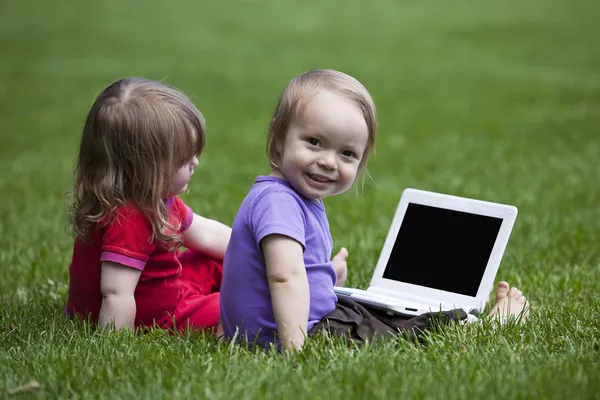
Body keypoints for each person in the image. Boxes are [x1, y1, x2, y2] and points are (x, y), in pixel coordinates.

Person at [219, 69, 530, 350]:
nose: (329, 161)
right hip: (294, 335)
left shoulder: (285, 196)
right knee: (408, 333)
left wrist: (324, 278)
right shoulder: (279, 202)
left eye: (347, 153)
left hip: (288, 325)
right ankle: (488, 326)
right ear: (278, 139)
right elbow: (285, 277)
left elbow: (287, 271)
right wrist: (295, 352)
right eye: (314, 142)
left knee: (374, 312)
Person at [65, 77, 231, 334]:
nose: (195, 163)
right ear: (147, 168)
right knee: (236, 306)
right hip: (156, 315)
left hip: (159, 288)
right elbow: (115, 293)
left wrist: (256, 251)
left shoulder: (155, 199)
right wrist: (115, 346)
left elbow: (205, 234)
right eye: (184, 160)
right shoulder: (128, 218)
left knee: (217, 261)